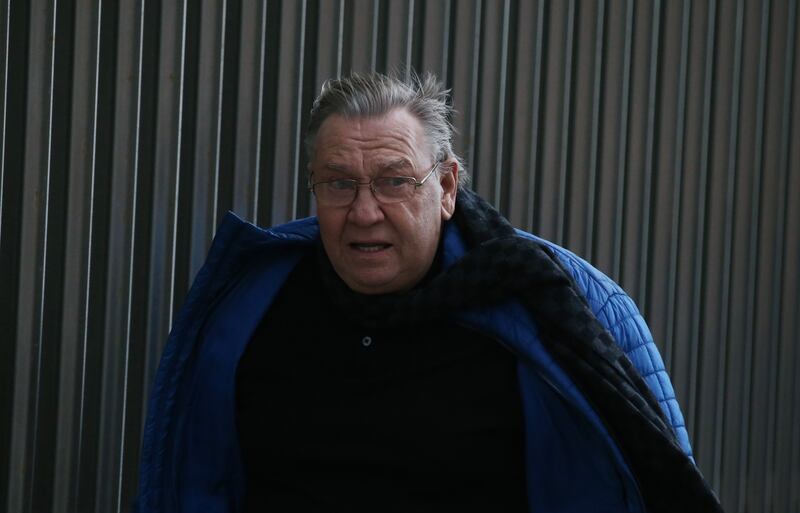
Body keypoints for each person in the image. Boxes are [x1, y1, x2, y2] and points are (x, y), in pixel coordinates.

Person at [135, 71, 722, 513]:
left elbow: (660, 472)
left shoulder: (562, 302)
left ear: (445, 186)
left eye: (394, 181)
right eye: (339, 183)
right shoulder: (249, 302)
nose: (364, 213)